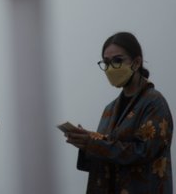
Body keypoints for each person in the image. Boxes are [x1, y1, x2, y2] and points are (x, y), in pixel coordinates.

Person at [64, 32, 173, 193]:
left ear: (136, 63)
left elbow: (143, 152)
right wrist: (86, 142)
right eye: (106, 62)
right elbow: (108, 150)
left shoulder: (154, 102)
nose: (110, 68)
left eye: (117, 61)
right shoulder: (109, 109)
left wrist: (93, 143)